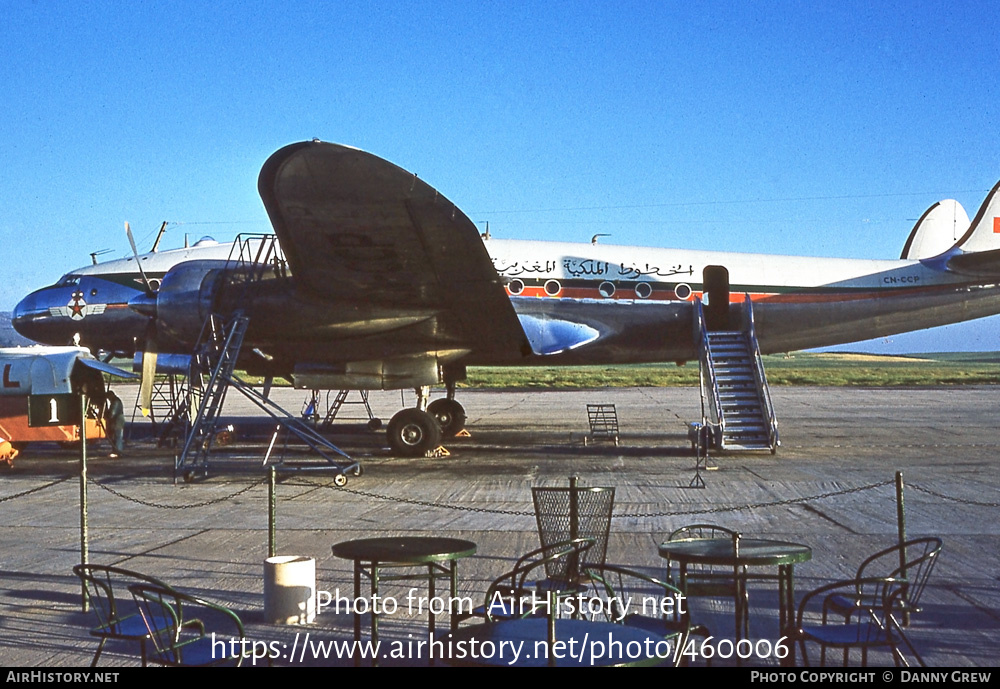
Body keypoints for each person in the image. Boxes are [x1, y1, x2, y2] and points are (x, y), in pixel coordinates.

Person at [104, 391, 125, 458]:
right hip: (119, 420)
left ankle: (118, 452)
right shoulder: (116, 401)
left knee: (117, 436)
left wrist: (106, 414)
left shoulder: (115, 402)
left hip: (117, 421)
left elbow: (112, 414)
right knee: (116, 436)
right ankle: (116, 451)